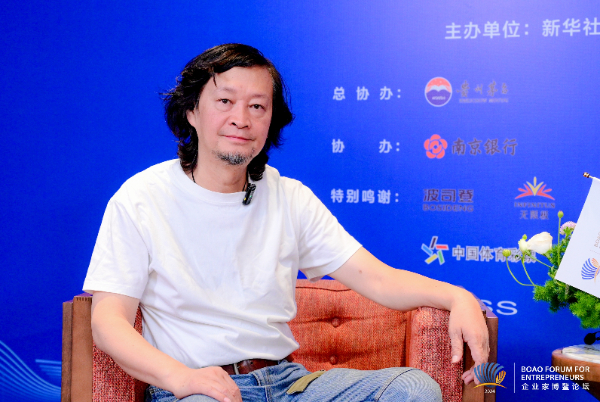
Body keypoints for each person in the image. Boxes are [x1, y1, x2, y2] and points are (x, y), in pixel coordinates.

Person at [84, 43, 489, 402]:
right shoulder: (141, 197)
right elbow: (107, 320)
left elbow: (378, 280)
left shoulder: (288, 196)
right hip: (198, 387)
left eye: (257, 106)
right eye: (225, 101)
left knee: (414, 390)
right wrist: (181, 377)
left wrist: (458, 297)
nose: (241, 119)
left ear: (270, 120)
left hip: (287, 383)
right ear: (192, 111)